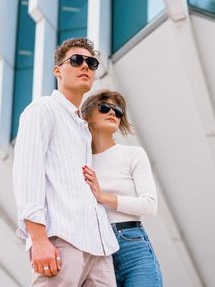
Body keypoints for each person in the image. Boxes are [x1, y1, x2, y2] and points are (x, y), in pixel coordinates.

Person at [12, 38, 119, 286]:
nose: (85, 66)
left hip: (99, 248)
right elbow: (27, 174)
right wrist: (38, 239)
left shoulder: (83, 128)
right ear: (57, 70)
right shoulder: (43, 109)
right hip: (62, 239)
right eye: (77, 60)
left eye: (91, 63)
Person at [81, 90, 163, 287]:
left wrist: (102, 196)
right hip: (96, 251)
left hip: (132, 245)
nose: (112, 113)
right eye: (104, 107)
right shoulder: (81, 161)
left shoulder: (133, 154)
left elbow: (149, 205)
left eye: (118, 111)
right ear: (87, 115)